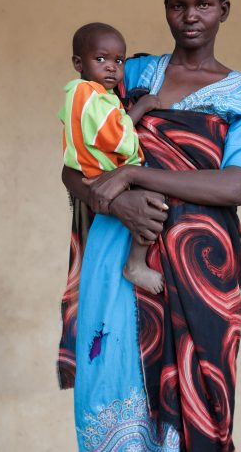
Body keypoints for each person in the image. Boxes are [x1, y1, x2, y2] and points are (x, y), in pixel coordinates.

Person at [59, 0, 241, 451]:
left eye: (203, 4)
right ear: (166, 10)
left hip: (200, 269)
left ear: (224, 10)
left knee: (195, 411)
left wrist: (134, 173)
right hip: (116, 260)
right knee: (112, 398)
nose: (191, 15)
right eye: (179, 5)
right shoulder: (128, 73)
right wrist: (116, 204)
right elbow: (74, 167)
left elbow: (234, 186)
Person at [59, 22, 164, 294]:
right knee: (156, 198)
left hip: (93, 173)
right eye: (101, 59)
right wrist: (142, 108)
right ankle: (135, 264)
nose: (112, 67)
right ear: (78, 62)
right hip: (102, 174)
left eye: (118, 60)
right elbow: (115, 136)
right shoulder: (89, 94)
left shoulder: (90, 95)